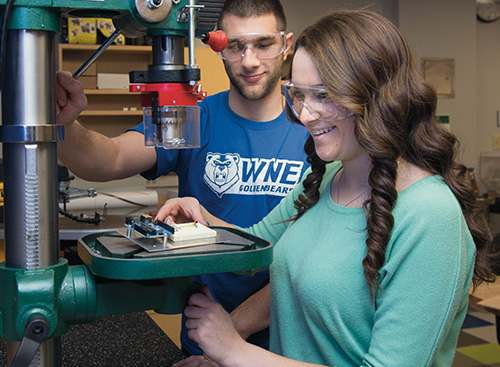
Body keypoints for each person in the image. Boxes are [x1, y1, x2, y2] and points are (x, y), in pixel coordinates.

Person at [157, 9, 497, 367]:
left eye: (322, 95)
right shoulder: (326, 178)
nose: (304, 114)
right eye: (298, 94)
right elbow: (253, 249)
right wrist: (201, 223)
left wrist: (235, 350)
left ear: (376, 96)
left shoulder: (430, 214)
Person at [55, 0, 311, 358]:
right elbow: (107, 159)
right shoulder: (194, 118)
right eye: (235, 46)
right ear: (218, 46)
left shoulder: (314, 123)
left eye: (264, 44)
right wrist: (66, 123)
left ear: (286, 44)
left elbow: (307, 258)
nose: (250, 61)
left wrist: (228, 336)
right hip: (201, 338)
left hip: (292, 341)